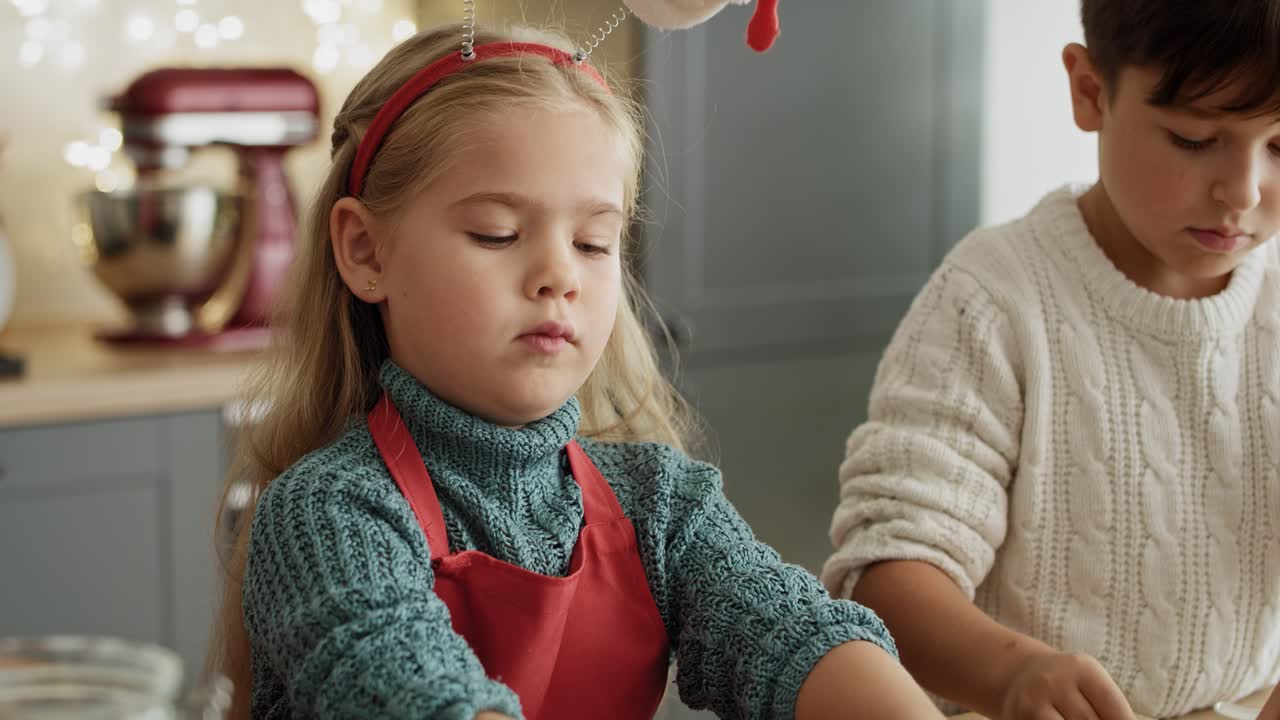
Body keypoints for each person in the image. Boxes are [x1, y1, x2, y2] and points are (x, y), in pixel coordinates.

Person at [208, 20, 943, 720]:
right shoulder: (329, 513)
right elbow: (416, 690)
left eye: (594, 243)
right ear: (366, 252)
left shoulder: (663, 507)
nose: (559, 274)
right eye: (497, 233)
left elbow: (799, 644)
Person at [821, 0, 1280, 718]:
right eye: (1196, 138)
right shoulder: (995, 298)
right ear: (1090, 91)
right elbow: (883, 579)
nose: (1243, 191)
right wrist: (1013, 675)